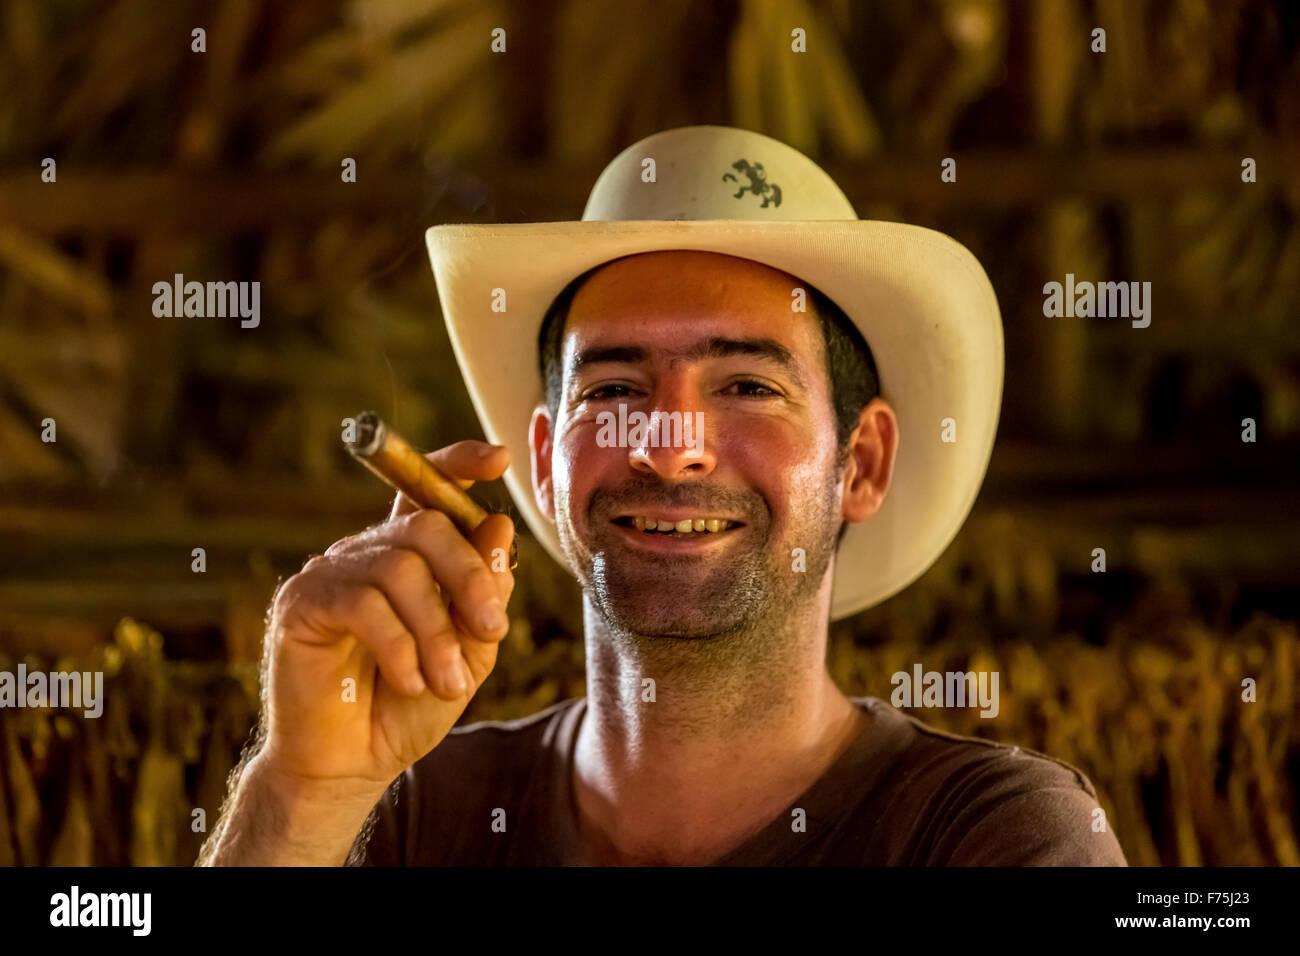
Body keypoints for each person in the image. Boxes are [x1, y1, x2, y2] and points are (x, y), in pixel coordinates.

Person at [199, 125, 1126, 866]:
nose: (669, 447)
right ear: (545, 465)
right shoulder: (407, 821)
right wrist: (300, 798)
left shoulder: (987, 836)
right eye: (613, 391)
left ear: (863, 463)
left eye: (746, 388)